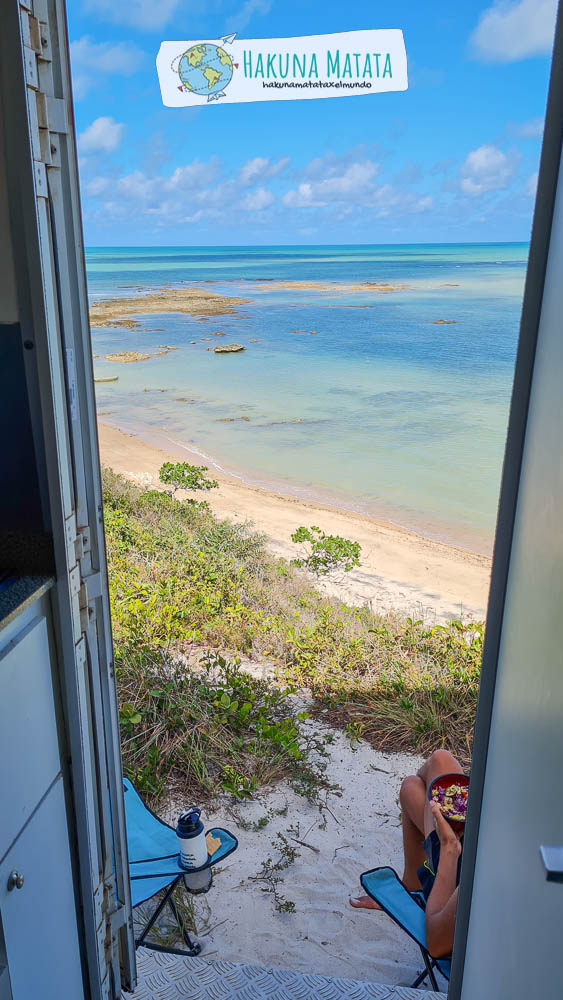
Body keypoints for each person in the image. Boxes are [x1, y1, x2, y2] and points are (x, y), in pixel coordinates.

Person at [349, 749, 464, 958]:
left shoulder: (488, 877)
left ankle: (414, 891)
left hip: (456, 871)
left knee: (434, 765)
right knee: (412, 786)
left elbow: (437, 944)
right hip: (480, 846)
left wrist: (449, 847)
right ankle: (412, 886)